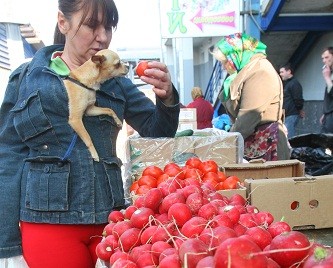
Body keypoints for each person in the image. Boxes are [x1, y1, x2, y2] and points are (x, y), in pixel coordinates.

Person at [0, 0, 180, 267]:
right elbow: (9, 155)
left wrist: (167, 97)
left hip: (111, 220)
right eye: (92, 25)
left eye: (108, 27)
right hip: (48, 223)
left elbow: (158, 131)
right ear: (63, 22)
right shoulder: (27, 78)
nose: (103, 36)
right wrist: (6, 243)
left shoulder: (117, 82)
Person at [212, 32, 290, 161]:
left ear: (235, 55)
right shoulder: (248, 70)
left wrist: (225, 145)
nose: (223, 67)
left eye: (225, 61)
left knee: (265, 181)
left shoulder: (260, 71)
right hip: (256, 144)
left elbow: (248, 117)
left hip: (266, 145)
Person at [279, 63, 305, 138]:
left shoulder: (294, 83)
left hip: (291, 115)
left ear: (289, 71)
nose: (280, 74)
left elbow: (298, 99)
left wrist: (299, 109)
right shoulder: (288, 83)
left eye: (282, 72)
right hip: (287, 115)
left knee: (289, 139)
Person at [320, 47, 333, 134]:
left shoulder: (328, 75)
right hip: (328, 114)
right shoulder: (330, 72)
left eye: (327, 57)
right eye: (323, 58)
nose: (324, 60)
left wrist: (327, 78)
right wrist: (325, 113)